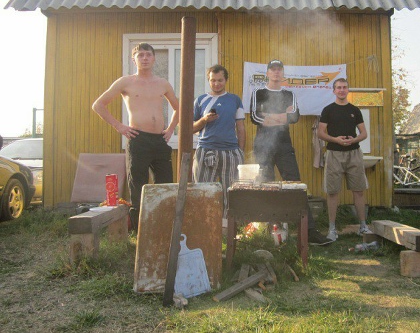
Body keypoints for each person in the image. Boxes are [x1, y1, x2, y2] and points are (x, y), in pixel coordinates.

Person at [92, 43, 179, 231]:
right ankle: (140, 231)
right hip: (138, 139)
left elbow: (178, 108)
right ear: (134, 60)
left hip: (160, 140)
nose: (145, 58)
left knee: (165, 184)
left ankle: (164, 228)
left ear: (154, 58)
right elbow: (98, 105)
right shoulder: (125, 82)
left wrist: (171, 129)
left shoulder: (162, 83)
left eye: (148, 55)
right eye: (140, 55)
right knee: (138, 185)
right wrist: (119, 126)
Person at [250, 59, 331, 245]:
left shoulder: (289, 94)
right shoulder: (258, 93)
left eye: (279, 69)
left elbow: (294, 117)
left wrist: (269, 116)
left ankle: (309, 231)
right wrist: (281, 116)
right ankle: (267, 231)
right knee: (265, 186)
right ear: (267, 73)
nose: (276, 72)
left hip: (284, 145)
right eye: (273, 69)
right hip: (263, 146)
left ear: (283, 73)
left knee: (295, 185)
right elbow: (255, 117)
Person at [317, 78, 372, 241]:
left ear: (348, 90)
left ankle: (363, 226)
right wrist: (336, 140)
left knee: (359, 190)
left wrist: (353, 140)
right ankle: (332, 229)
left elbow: (363, 133)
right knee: (332, 192)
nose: (342, 90)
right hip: (334, 154)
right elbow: (320, 133)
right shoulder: (328, 110)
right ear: (334, 91)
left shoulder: (355, 110)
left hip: (354, 154)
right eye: (339, 87)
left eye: (344, 87)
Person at [192, 65, 245, 217]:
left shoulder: (235, 100)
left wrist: (240, 152)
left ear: (226, 80)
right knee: (202, 192)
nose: (216, 84)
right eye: (213, 80)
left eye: (220, 80)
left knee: (232, 193)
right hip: (205, 150)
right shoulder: (201, 100)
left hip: (231, 152)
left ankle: (228, 226)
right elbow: (190, 129)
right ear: (208, 81)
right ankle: (203, 224)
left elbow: (241, 127)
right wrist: (204, 120)